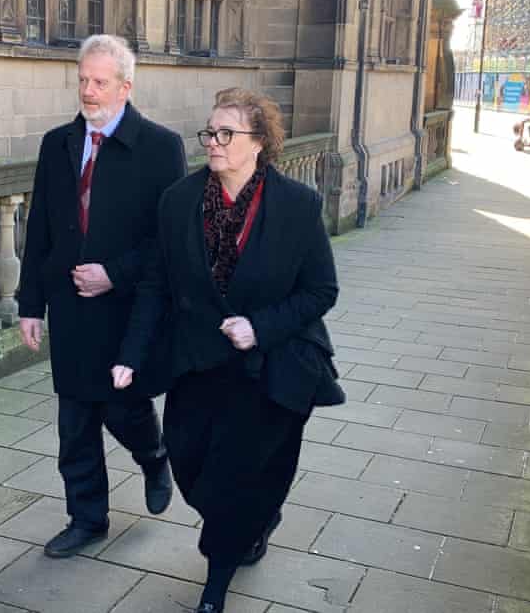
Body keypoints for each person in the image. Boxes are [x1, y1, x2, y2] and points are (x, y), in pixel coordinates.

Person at [112, 87, 344, 613]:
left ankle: (216, 584)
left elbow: (321, 291)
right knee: (191, 464)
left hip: (271, 369)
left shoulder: (298, 206)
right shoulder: (179, 202)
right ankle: (256, 521)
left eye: (226, 134)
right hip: (196, 362)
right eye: (209, 132)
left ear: (259, 142)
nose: (212, 143)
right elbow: (156, 286)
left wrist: (259, 327)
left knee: (239, 479)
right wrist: (130, 354)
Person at [17, 34, 188, 559]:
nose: (88, 91)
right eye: (82, 80)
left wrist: (114, 273)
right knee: (75, 423)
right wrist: (30, 305)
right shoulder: (57, 143)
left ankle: (154, 455)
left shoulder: (161, 147)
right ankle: (86, 518)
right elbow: (40, 227)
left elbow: (169, 241)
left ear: (125, 86)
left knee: (124, 411)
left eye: (100, 82)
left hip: (127, 308)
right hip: (70, 307)